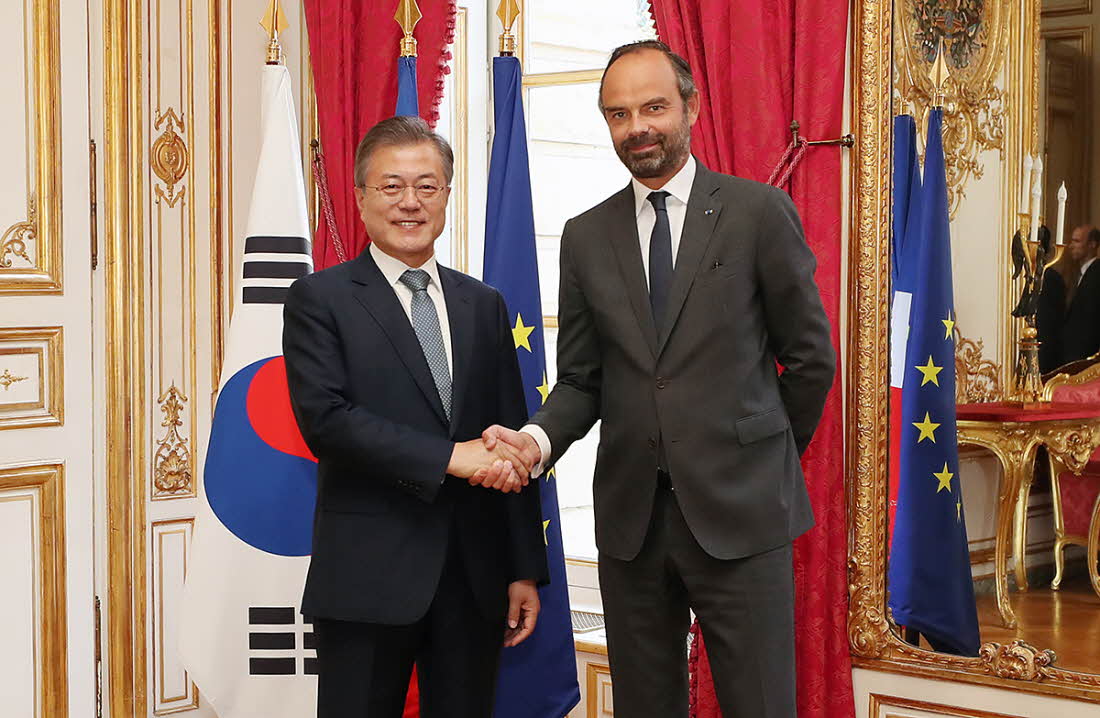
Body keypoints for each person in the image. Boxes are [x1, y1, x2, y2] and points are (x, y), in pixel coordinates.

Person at [478, 40, 835, 718]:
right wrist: (534, 440)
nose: (637, 126)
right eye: (618, 114)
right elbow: (582, 380)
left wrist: (759, 456)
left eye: (653, 107)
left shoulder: (757, 214)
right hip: (631, 525)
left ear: (690, 108)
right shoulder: (585, 236)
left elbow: (811, 360)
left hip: (744, 516)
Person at [282, 116, 548, 718]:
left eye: (427, 187)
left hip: (475, 581)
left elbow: (510, 435)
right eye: (391, 186)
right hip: (367, 578)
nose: (410, 203)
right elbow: (327, 421)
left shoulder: (484, 304)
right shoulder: (319, 299)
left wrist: (523, 569)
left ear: (447, 195)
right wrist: (452, 457)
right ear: (360, 197)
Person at [1060, 225, 1100, 365]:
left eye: (1077, 241)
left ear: (1092, 244)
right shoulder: (1078, 273)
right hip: (1074, 356)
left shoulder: (1097, 273)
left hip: (1087, 357)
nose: (1071, 246)